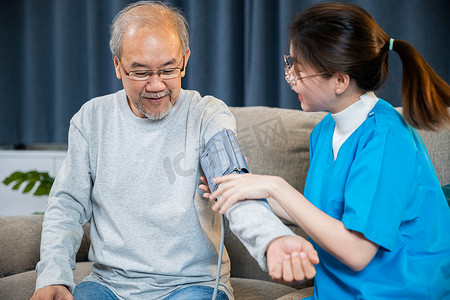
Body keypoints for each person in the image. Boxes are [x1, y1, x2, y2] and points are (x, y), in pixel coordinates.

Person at [30, 1, 319, 300]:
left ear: (185, 59)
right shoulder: (91, 119)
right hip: (109, 284)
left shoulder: (210, 116)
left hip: (192, 285)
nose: (156, 85)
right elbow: (67, 204)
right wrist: (52, 275)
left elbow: (235, 186)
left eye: (168, 70)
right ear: (117, 65)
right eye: (140, 73)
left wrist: (273, 239)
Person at [204, 2, 450, 299]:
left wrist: (275, 186)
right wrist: (243, 187)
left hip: (397, 290)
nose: (290, 76)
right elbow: (317, 215)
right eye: (289, 62)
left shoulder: (387, 137)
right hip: (336, 289)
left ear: (340, 81)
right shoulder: (325, 131)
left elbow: (358, 252)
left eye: (300, 69)